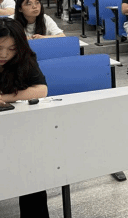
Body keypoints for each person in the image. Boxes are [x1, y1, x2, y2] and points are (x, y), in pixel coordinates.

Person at [0, 19, 50, 218]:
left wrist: (4, 97)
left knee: (32, 170)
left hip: (17, 129)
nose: (4, 55)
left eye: (11, 49)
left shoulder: (24, 59)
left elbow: (41, 90)